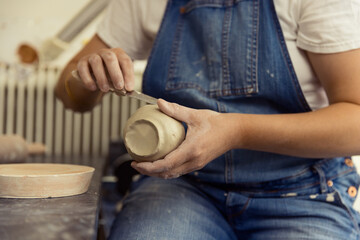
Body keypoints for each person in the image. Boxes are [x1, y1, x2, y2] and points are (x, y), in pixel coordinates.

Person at [55, 0, 360, 239]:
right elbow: (68, 95)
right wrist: (87, 76)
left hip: (302, 192)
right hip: (182, 185)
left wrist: (237, 131)